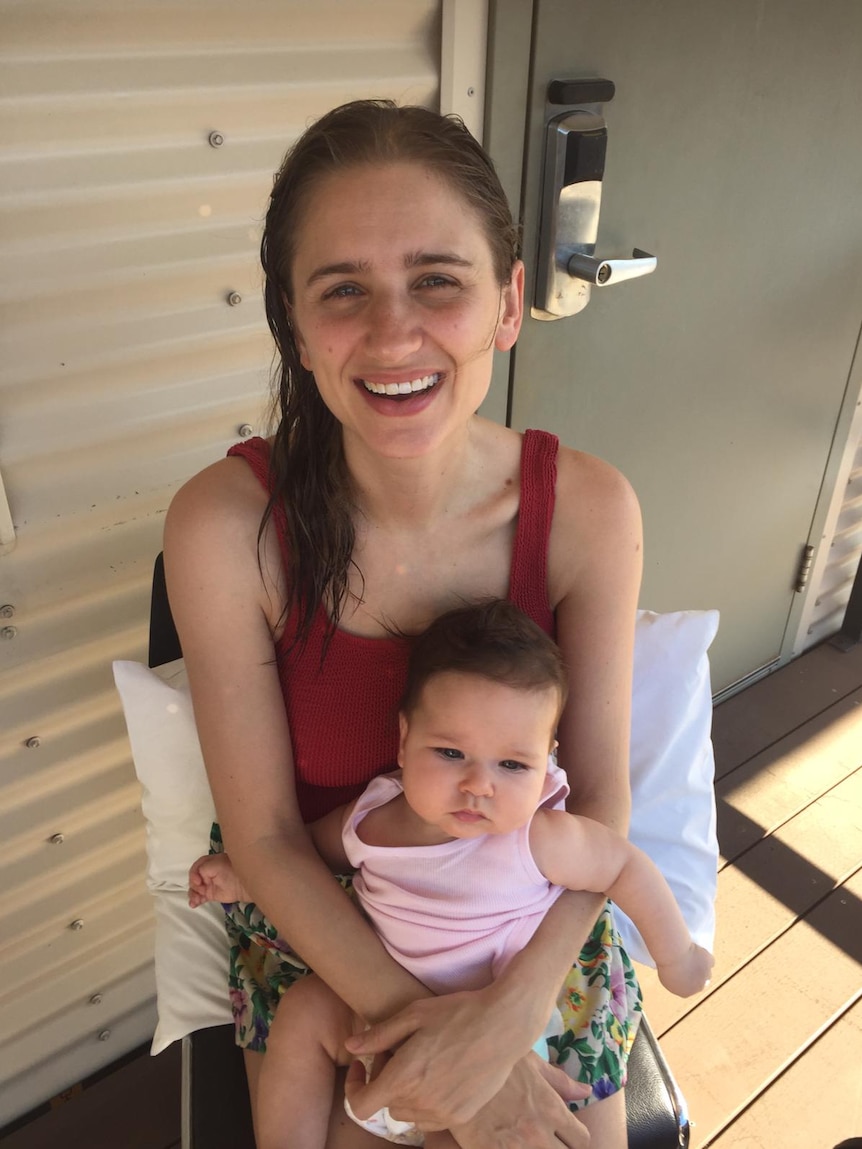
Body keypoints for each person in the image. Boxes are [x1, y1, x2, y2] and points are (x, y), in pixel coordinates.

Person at [164, 98, 646, 1149]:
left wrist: (509, 1022)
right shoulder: (226, 526)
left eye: (438, 281)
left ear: (510, 303)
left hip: (524, 921)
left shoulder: (588, 514)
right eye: (343, 291)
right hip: (326, 930)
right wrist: (444, 1050)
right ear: (293, 324)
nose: (393, 334)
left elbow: (601, 799)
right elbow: (268, 842)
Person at [188, 600, 714, 1149]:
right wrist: (241, 876)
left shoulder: (538, 838)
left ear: (546, 763)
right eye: (449, 752)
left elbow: (624, 867)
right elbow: (312, 855)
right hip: (379, 1023)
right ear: (404, 739)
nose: (478, 784)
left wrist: (678, 956)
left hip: (493, 1051)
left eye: (512, 765)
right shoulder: (369, 819)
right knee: (304, 1011)